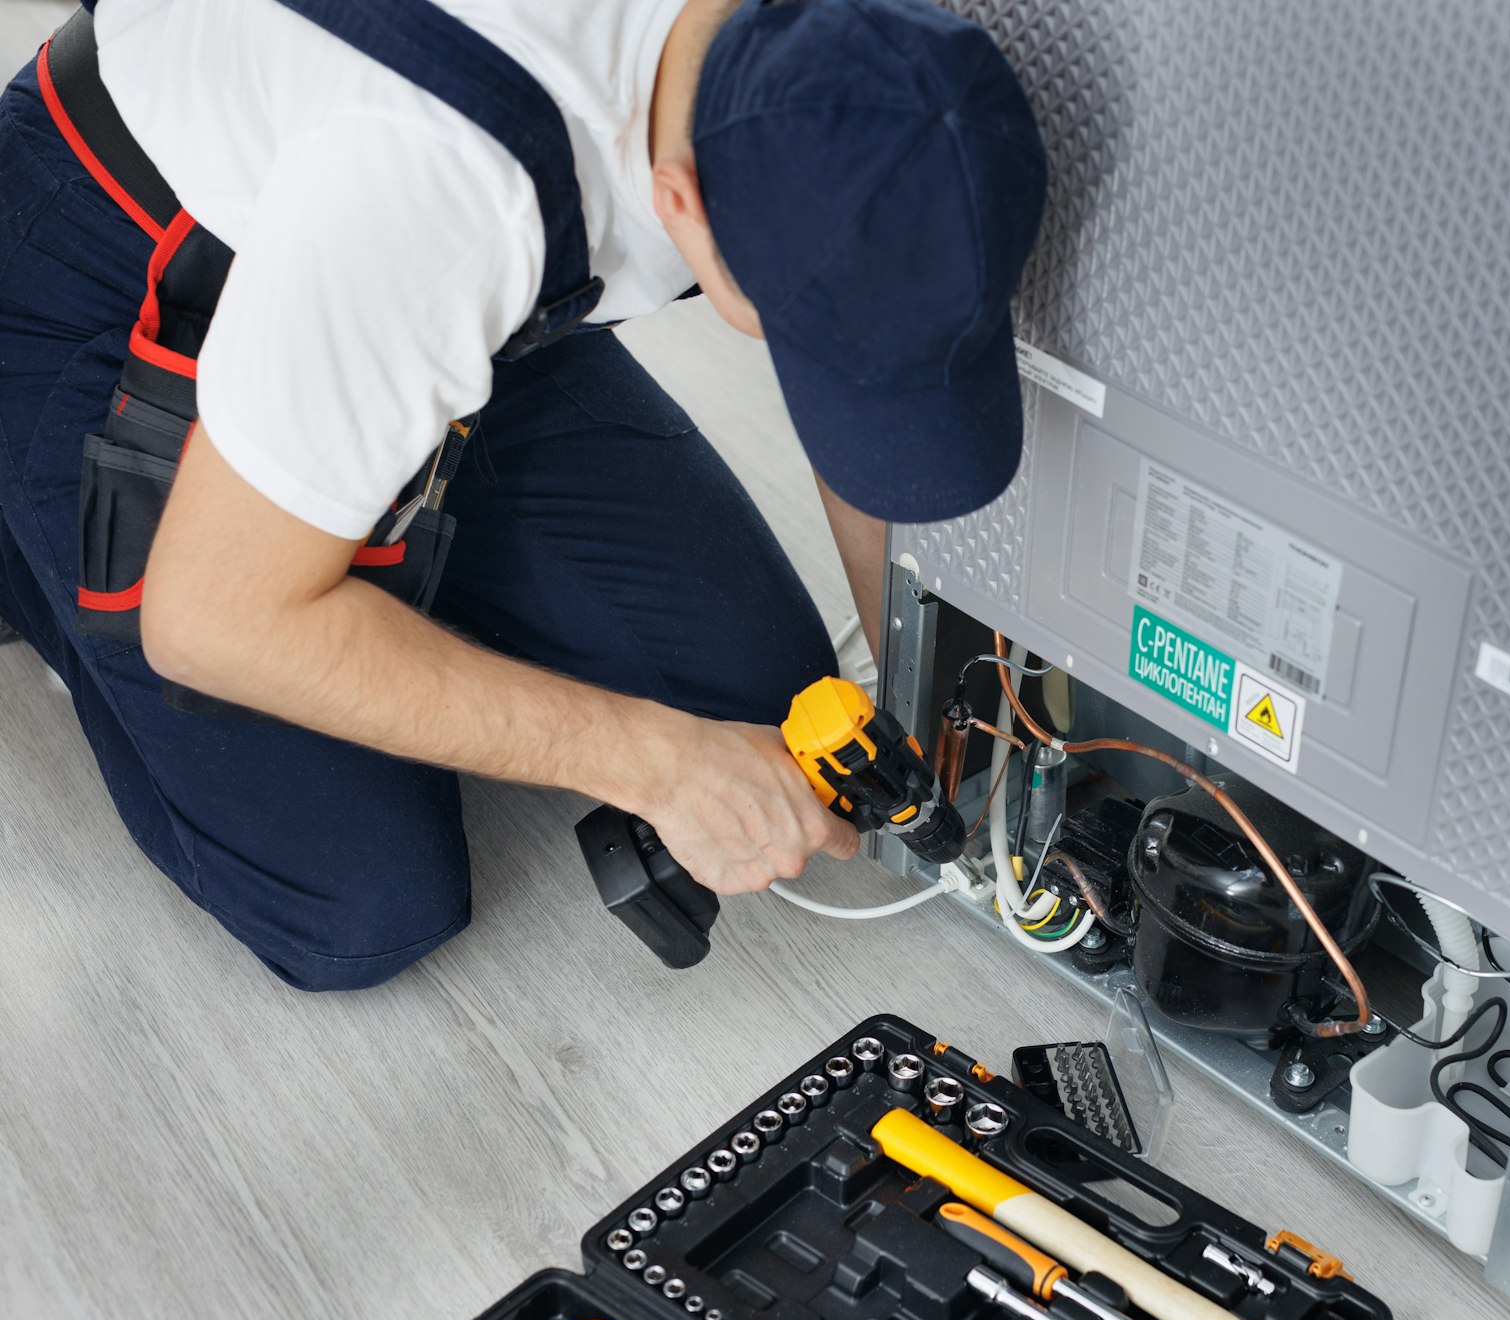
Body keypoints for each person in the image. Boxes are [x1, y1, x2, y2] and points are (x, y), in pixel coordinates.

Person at [0, 0, 1047, 989]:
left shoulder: (845, 75)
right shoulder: (444, 197)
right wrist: (654, 764)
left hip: (423, 276)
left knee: (764, 700)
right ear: (678, 198)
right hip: (113, 256)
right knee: (361, 899)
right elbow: (214, 620)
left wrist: (921, 689)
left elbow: (850, 323)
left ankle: (356, 492)